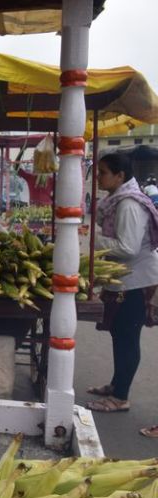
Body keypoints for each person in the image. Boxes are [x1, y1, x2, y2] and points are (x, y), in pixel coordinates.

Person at [85, 152, 158, 416]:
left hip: (135, 282)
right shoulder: (117, 200)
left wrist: (95, 241)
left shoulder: (128, 204)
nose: (98, 178)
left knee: (128, 338)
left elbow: (128, 247)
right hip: (123, 280)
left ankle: (120, 397)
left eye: (103, 172)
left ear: (120, 176)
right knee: (120, 334)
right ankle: (117, 384)